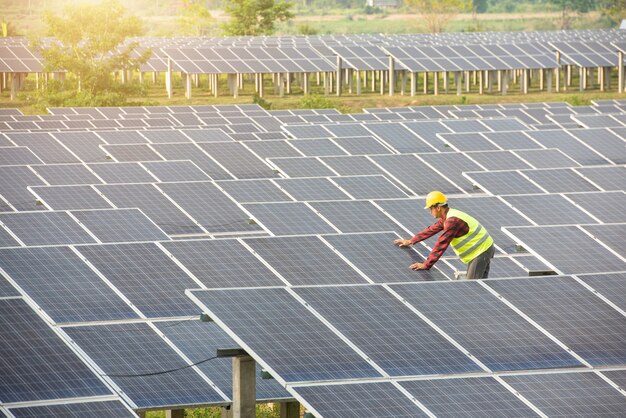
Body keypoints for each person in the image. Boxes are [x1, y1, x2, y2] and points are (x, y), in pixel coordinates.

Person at [394, 191, 495, 279]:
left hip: (480, 252)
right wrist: (411, 241)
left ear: (438, 208)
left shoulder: (452, 221)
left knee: (473, 286)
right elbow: (432, 229)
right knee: (480, 285)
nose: (430, 212)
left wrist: (426, 264)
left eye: (431, 209)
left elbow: (441, 244)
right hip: (484, 249)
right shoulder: (449, 215)